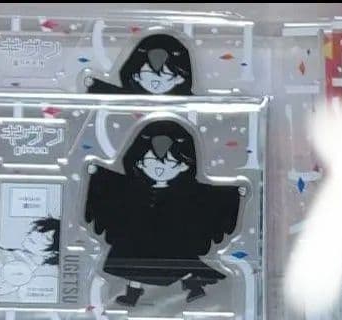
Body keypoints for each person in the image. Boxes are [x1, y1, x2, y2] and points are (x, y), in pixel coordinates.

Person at [84, 120, 246, 307]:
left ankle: (193, 286)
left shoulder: (187, 194)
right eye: (151, 161)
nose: (159, 168)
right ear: (139, 162)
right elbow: (112, 187)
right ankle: (133, 292)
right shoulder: (132, 190)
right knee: (133, 266)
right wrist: (96, 174)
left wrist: (235, 194)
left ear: (184, 165)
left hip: (172, 239)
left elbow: (211, 198)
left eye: (171, 162)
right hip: (138, 238)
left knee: (180, 262)